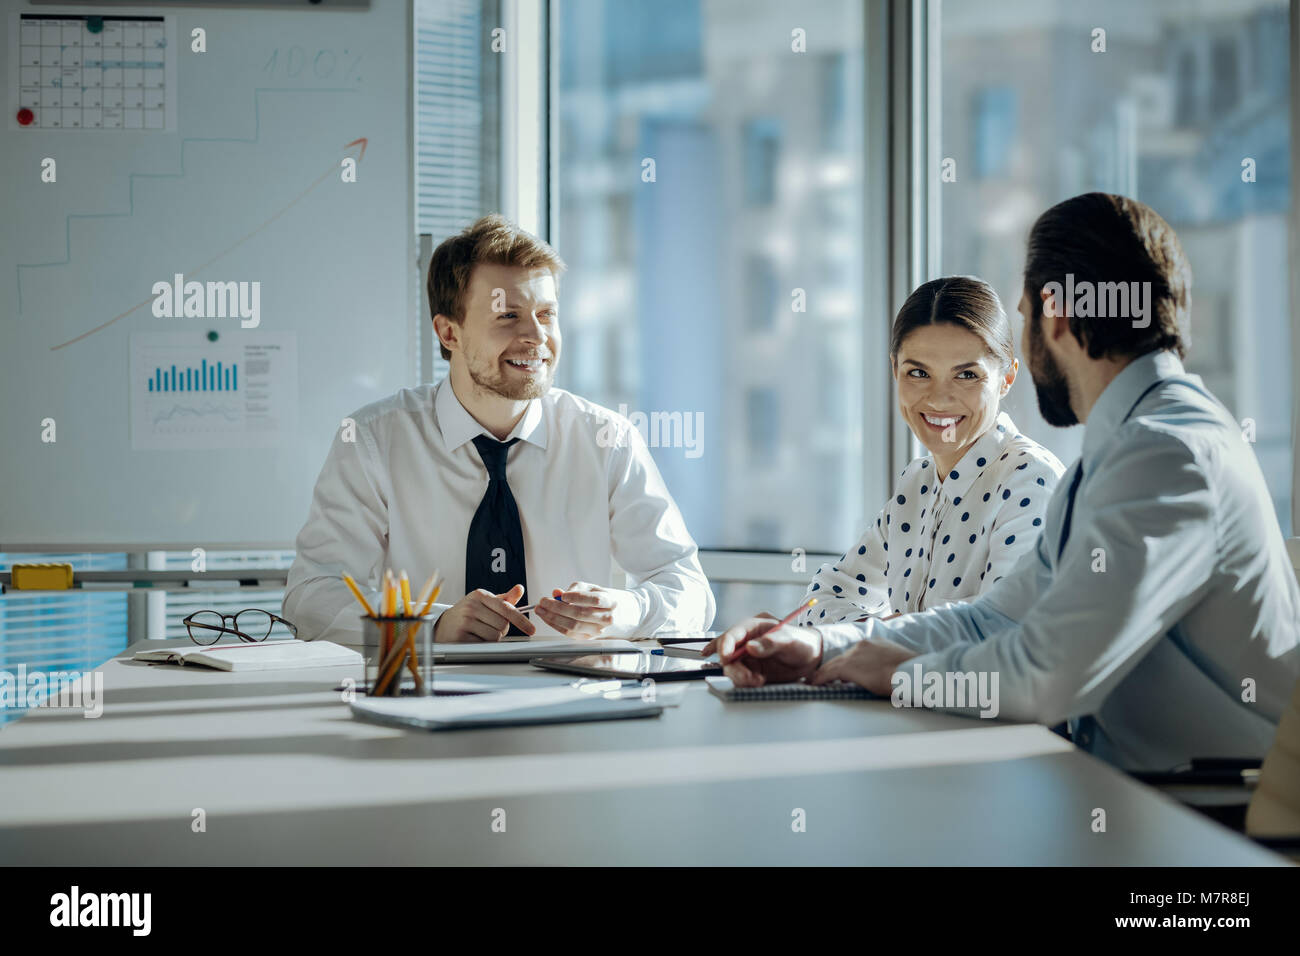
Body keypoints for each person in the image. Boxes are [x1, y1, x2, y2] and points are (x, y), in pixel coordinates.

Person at [708, 193, 1300, 771]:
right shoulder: (1129, 449)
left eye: (1024, 317)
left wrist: (893, 674)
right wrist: (823, 650)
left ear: (1058, 318)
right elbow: (993, 618)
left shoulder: (1165, 454)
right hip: (1141, 791)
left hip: (1213, 811)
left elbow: (1046, 678)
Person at [284, 214, 715, 645]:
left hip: (573, 700)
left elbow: (690, 589)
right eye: (508, 315)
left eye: (546, 314)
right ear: (449, 332)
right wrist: (431, 625)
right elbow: (311, 599)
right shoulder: (373, 441)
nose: (536, 336)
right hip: (426, 697)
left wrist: (624, 611)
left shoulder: (607, 440)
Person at [798, 276, 1062, 627]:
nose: (938, 399)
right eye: (918, 372)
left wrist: (882, 635)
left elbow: (1003, 624)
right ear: (895, 370)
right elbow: (823, 597)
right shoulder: (917, 483)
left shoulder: (1031, 479)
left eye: (967, 375)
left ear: (1007, 379)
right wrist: (877, 635)